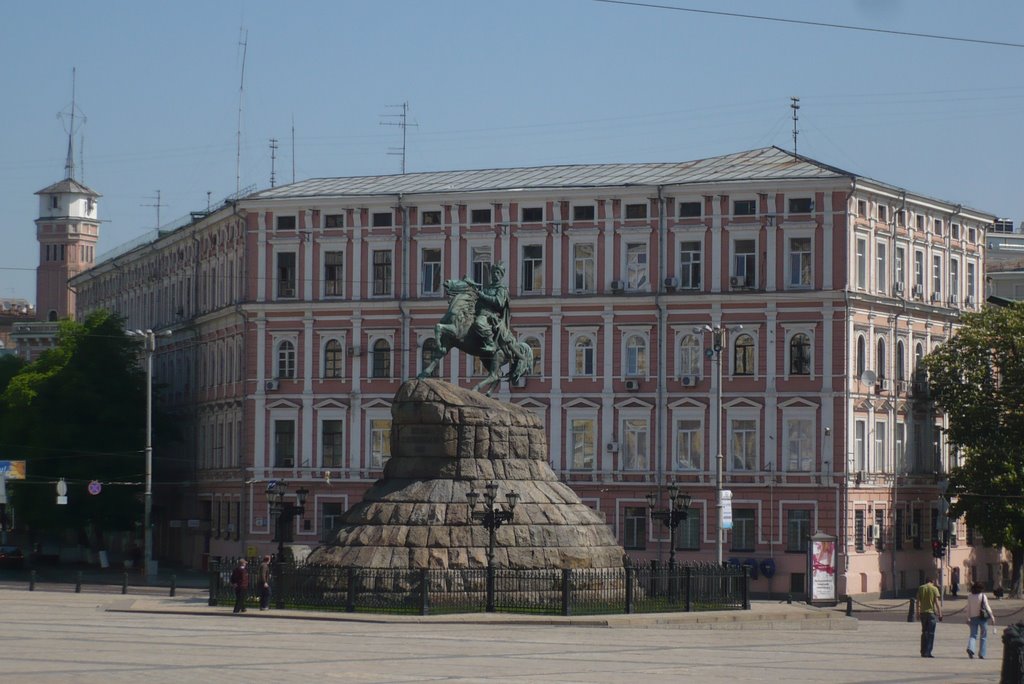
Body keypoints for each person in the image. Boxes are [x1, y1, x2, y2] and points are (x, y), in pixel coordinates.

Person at [471, 262, 509, 355]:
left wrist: (483, 296)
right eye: (493, 273)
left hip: (491, 314)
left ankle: (490, 343)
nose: (495, 275)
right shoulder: (487, 288)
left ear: (501, 275)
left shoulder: (501, 289)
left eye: (497, 273)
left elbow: (499, 302)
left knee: (478, 323)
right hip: (480, 312)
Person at [965, 581, 995, 659]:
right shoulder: (983, 596)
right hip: (982, 618)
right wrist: (992, 617)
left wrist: (967, 617)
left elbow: (968, 608)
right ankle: (982, 654)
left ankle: (970, 648)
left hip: (973, 617)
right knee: (983, 636)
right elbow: (987, 607)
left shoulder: (970, 596)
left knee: (973, 635)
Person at [916, 576, 942, 657]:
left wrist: (917, 612)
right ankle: (928, 652)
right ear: (932, 581)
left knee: (924, 632)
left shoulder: (921, 588)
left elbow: (917, 602)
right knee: (931, 633)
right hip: (931, 614)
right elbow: (937, 603)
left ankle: (923, 651)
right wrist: (940, 613)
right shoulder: (934, 589)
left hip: (923, 613)